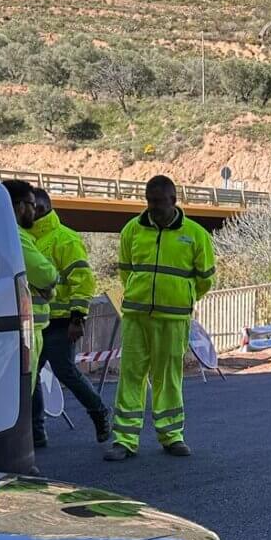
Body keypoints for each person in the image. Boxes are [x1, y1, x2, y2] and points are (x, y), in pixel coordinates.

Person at [105, 174, 215, 461]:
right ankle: (124, 440)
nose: (153, 207)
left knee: (168, 377)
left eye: (158, 202)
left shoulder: (196, 235)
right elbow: (126, 271)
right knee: (131, 375)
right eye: (149, 201)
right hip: (136, 317)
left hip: (173, 319)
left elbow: (205, 279)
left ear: (173, 200)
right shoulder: (132, 229)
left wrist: (180, 298)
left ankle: (172, 436)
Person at [29, 190, 110, 448]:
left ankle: (99, 411)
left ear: (41, 208)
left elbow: (83, 280)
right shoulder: (26, 237)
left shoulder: (64, 239)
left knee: (66, 371)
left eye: (32, 208)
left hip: (61, 320)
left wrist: (78, 318)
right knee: (30, 375)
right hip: (36, 320)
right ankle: (36, 431)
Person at [3, 181, 57, 394]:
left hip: (19, 326)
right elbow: (46, 275)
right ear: (19, 206)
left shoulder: (6, 232)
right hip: (24, 329)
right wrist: (49, 286)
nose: (34, 212)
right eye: (32, 205)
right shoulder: (15, 235)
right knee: (23, 394)